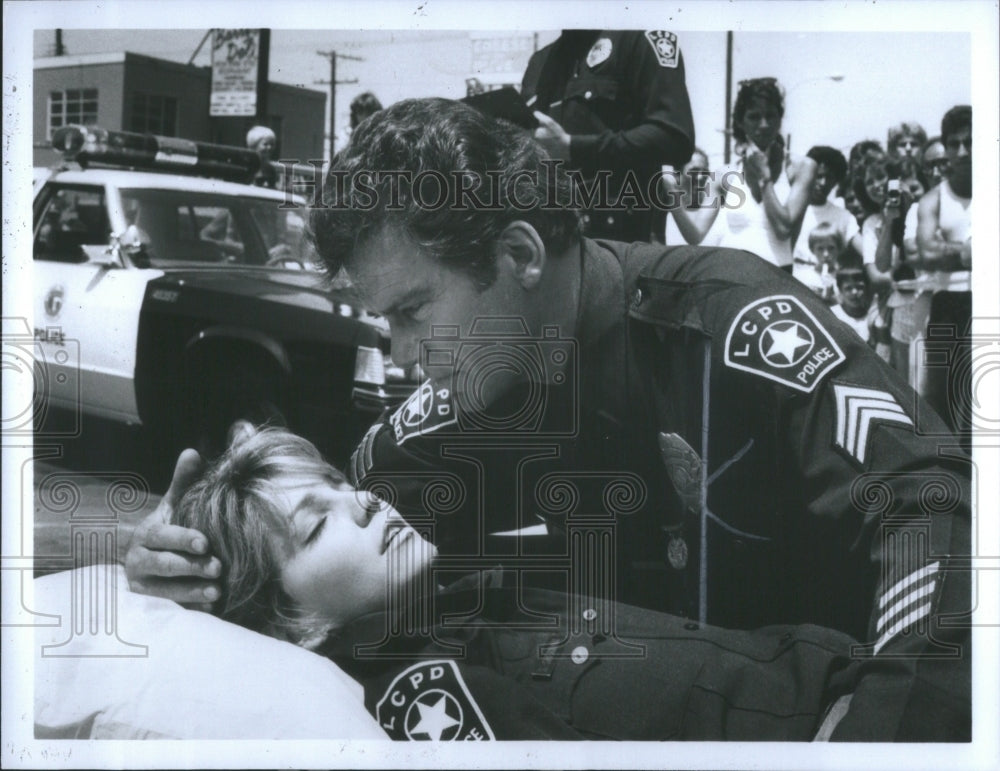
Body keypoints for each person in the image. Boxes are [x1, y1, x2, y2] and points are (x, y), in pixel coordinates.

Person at [126, 97, 971, 741]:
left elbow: (927, 501)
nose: (401, 351)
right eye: (385, 320)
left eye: (415, 310)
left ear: (520, 253)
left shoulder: (728, 319)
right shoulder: (427, 437)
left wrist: (886, 733)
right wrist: (178, 562)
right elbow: (282, 557)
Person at [172, 425, 862, 741]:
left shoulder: (453, 595)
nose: (365, 501)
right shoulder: (428, 693)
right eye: (316, 525)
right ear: (291, 621)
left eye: (341, 484)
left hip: (847, 683)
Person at [521, 29, 695, 242]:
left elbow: (673, 137)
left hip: (620, 243)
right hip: (550, 240)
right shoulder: (540, 62)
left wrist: (572, 147)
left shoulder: (637, 41)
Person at [664, 78, 816, 270]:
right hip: (731, 276)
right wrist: (670, 190)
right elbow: (695, 234)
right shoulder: (725, 175)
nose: (763, 125)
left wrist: (764, 177)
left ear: (780, 119)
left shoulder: (801, 167)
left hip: (777, 277)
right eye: (754, 117)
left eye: (771, 116)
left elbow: (783, 229)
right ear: (741, 122)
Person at [912, 106, 972, 444]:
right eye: (954, 144)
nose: (962, 152)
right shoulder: (934, 199)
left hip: (989, 302)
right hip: (949, 303)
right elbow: (926, 253)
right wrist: (966, 253)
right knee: (939, 403)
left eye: (970, 142)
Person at [791, 146, 860, 291]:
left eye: (829, 178)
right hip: (796, 281)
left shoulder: (844, 216)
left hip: (831, 286)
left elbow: (866, 252)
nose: (823, 183)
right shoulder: (792, 208)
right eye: (819, 176)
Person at [661, 147, 725, 246]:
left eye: (705, 172)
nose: (700, 177)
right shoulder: (664, 212)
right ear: (678, 174)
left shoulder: (721, 212)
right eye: (693, 171)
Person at [801, 222, 844, 304]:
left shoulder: (844, 275)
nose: (826, 254)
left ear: (839, 248)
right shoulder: (805, 277)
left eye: (831, 248)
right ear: (812, 250)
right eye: (820, 249)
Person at [246, 125, 278, 189]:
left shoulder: (271, 170)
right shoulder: (245, 165)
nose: (269, 147)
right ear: (254, 145)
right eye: (265, 144)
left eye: (272, 144)